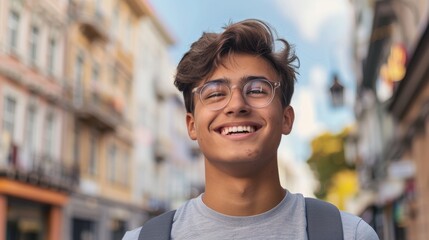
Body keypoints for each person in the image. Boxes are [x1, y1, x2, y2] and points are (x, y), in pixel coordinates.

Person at [123, 19, 379, 240]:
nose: (236, 104)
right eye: (214, 94)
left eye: (257, 90)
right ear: (191, 125)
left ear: (286, 119)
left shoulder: (350, 235)